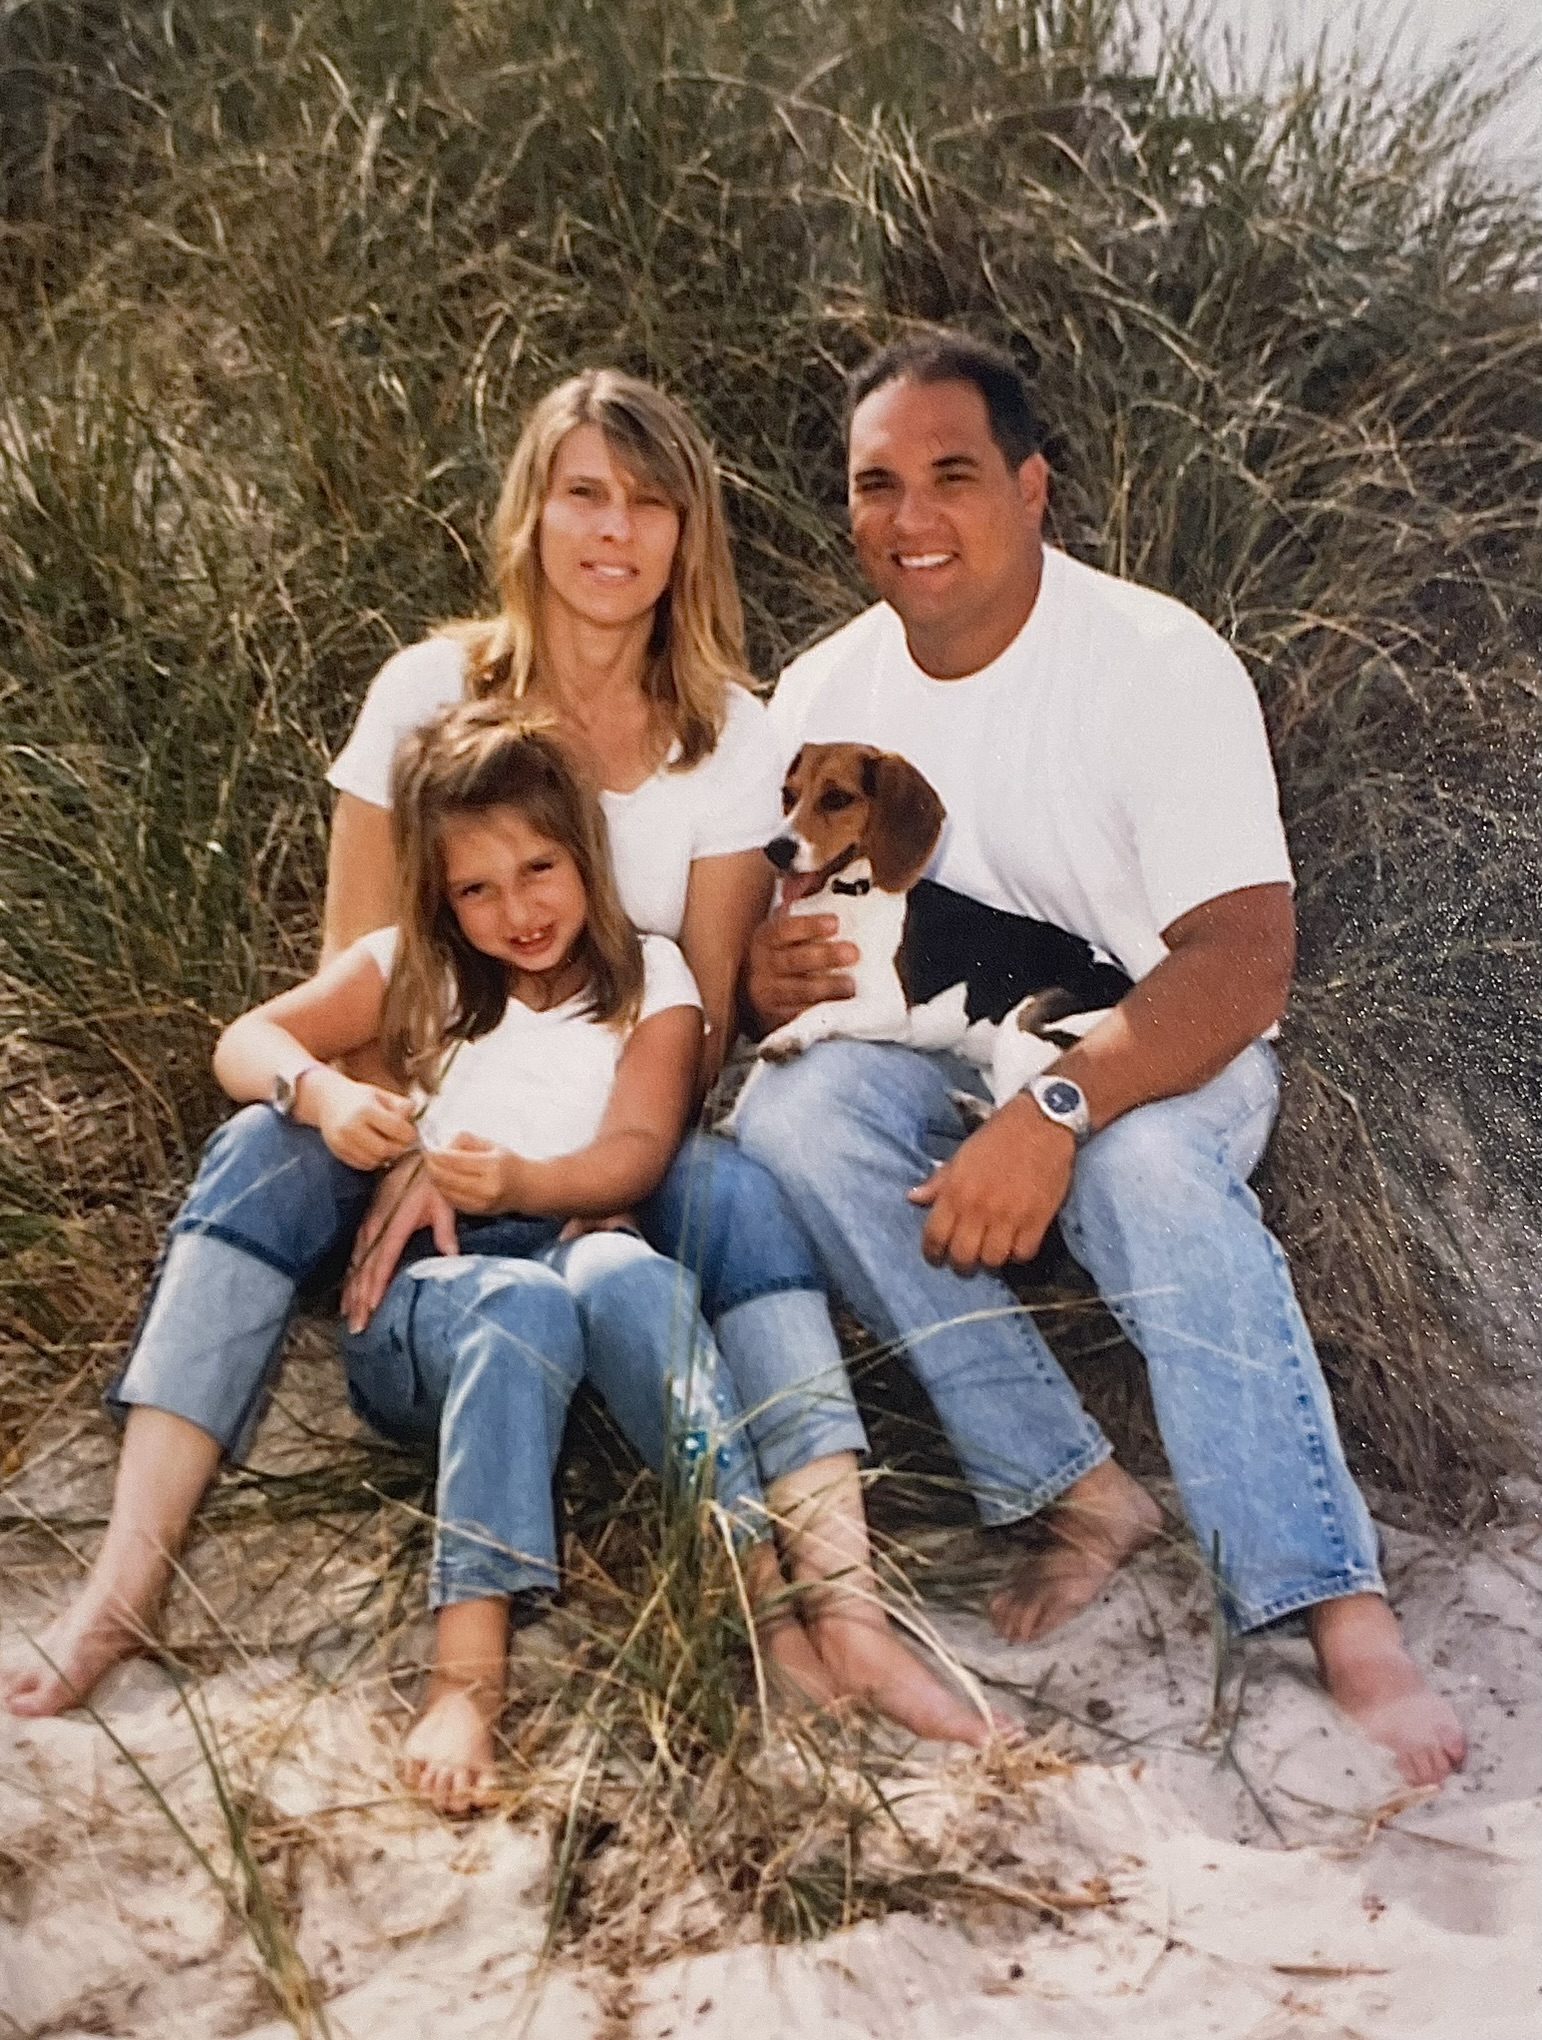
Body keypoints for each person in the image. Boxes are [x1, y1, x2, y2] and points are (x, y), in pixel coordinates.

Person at [2, 372, 986, 1754]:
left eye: (650, 502)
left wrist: (594, 1184)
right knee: (256, 1144)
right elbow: (369, 966)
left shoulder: (728, 732)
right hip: (433, 1114)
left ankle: (847, 1615)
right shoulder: (427, 689)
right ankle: (123, 1582)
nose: (614, 531)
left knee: (746, 1192)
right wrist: (407, 1140)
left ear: (686, 533)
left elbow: (700, 1019)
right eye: (584, 492)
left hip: (620, 1119)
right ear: (531, 511)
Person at [735, 330, 1466, 1789]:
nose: (912, 518)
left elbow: (1243, 959)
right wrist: (759, 975)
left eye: (953, 475)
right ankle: (1074, 1493)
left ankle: (1330, 1596)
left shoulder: (1151, 658)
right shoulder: (824, 684)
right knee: (787, 1118)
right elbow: (779, 948)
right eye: (878, 484)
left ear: (1029, 487)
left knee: (1138, 1167)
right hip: (938, 1040)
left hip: (1158, 1041)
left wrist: (1055, 1107)